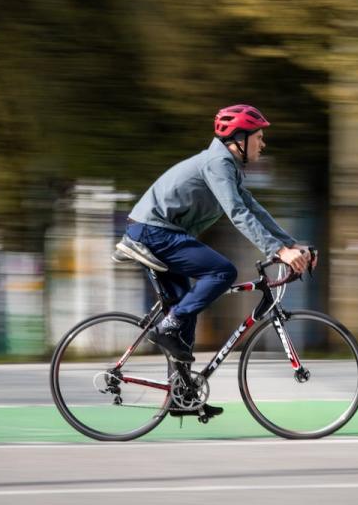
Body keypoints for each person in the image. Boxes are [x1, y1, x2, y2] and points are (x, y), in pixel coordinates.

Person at [122, 104, 312, 382]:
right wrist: (279, 251)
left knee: (186, 312)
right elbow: (238, 214)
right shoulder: (218, 164)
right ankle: (167, 327)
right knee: (222, 272)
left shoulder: (228, 168)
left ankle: (181, 392)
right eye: (258, 137)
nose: (263, 143)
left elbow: (255, 209)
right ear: (239, 140)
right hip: (154, 232)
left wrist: (292, 245)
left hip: (161, 233)